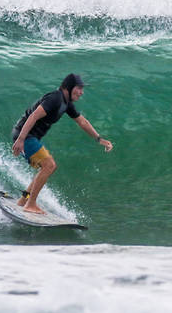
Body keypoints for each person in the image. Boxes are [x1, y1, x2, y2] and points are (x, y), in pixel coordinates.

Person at [11, 73, 113, 214]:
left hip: (30, 137)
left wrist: (99, 139)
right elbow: (34, 115)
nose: (81, 92)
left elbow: (82, 121)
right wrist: (21, 140)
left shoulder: (66, 103)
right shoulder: (55, 98)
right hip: (25, 135)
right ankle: (30, 204)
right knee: (49, 165)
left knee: (48, 167)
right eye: (79, 88)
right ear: (69, 87)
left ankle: (24, 200)